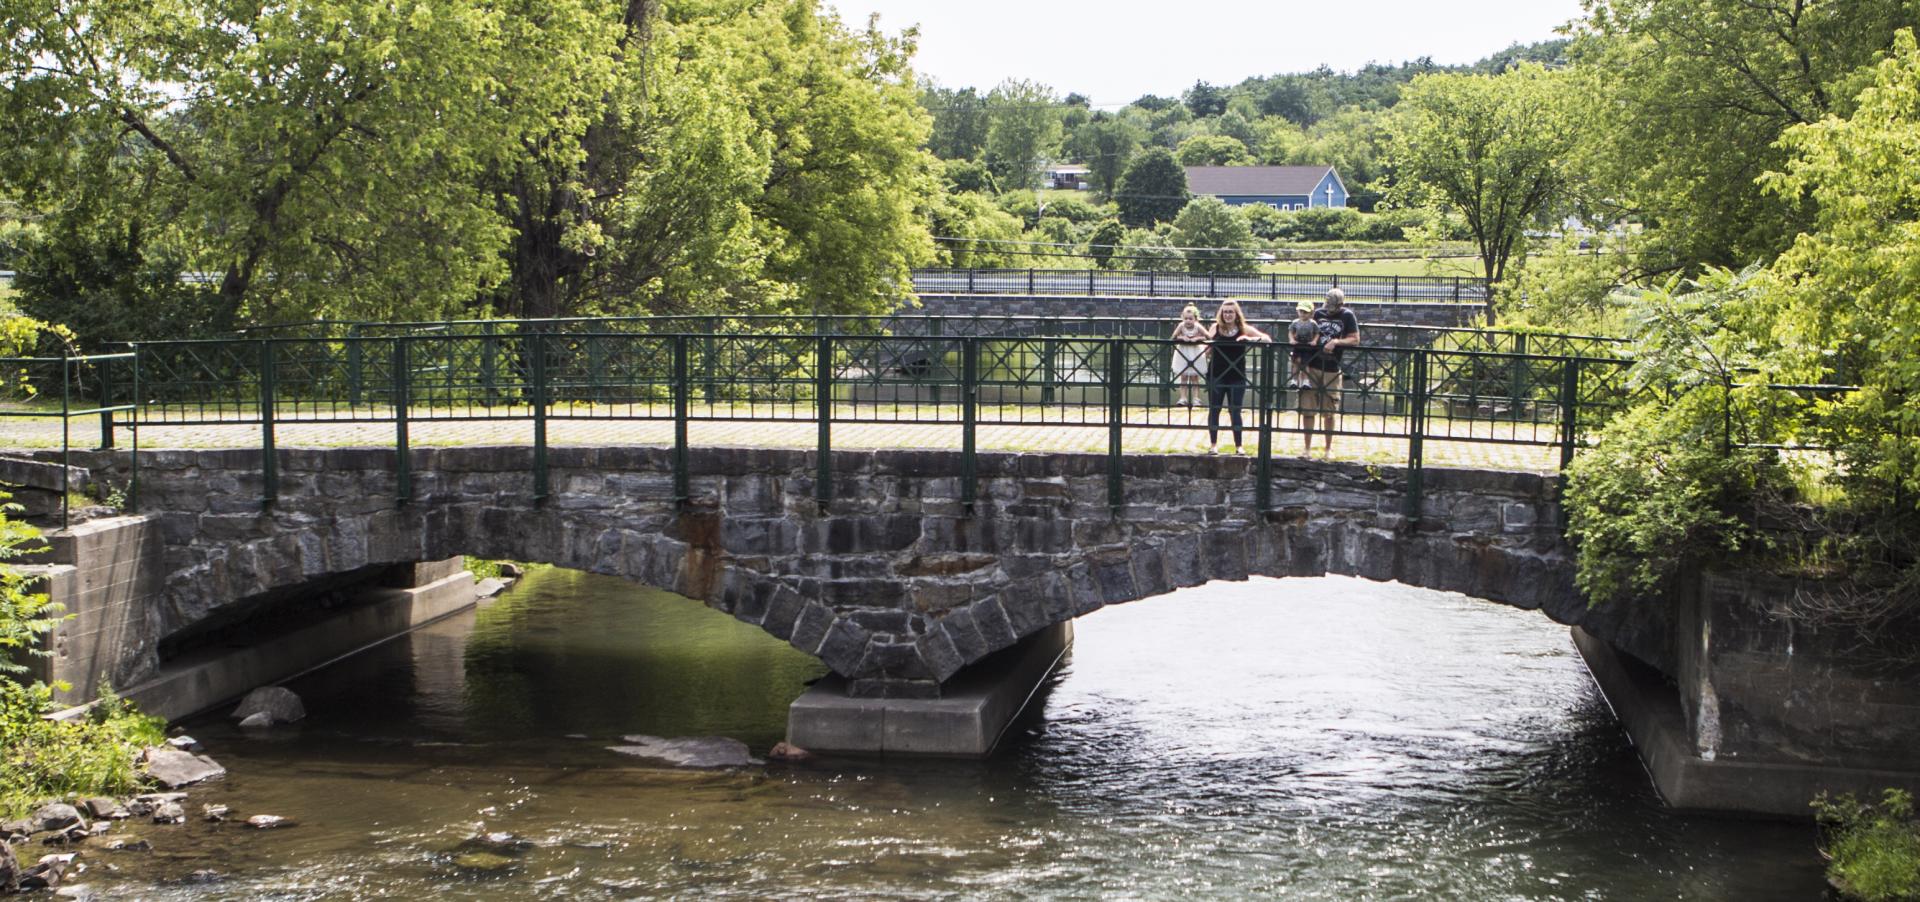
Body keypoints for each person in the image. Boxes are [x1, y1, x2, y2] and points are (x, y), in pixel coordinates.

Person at [1204, 299, 1272, 454]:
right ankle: (1213, 444)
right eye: (1225, 312)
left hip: (1237, 376)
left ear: (1236, 314)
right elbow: (1206, 347)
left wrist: (1250, 339)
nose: (1228, 315)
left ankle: (1238, 445)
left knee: (1235, 411)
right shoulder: (1215, 328)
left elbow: (1267, 339)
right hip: (1216, 374)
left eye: (1231, 312)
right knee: (1214, 409)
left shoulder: (1243, 329)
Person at [1300, 288, 1362, 457]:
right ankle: (1307, 448)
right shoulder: (1318, 313)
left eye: (1332, 307)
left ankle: (1328, 449)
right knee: (1308, 408)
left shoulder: (1347, 316)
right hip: (1312, 365)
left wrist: (1336, 341)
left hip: (1332, 368)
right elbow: (1305, 328)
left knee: (1329, 410)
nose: (1329, 310)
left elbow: (1355, 339)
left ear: (1340, 304)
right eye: (1327, 305)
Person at [1169, 305, 1209, 406]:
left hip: (1195, 353)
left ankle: (1196, 398)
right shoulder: (1181, 326)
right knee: (1183, 376)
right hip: (1183, 352)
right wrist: (1182, 337)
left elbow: (1208, 336)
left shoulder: (1198, 326)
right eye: (1186, 318)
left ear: (1195, 319)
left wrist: (1198, 338)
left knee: (1195, 377)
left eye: (1190, 319)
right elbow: (1173, 337)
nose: (1188, 321)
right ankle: (1183, 398)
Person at [1285, 301, 1318, 390]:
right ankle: (1294, 380)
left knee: (1305, 363)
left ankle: (1306, 381)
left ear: (1311, 313)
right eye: (1301, 312)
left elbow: (1317, 333)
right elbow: (1291, 332)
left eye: (1305, 312)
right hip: (1298, 345)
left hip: (1307, 346)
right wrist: (1291, 339)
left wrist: (1314, 341)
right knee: (1296, 362)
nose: (1303, 314)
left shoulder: (1313, 323)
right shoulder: (1295, 322)